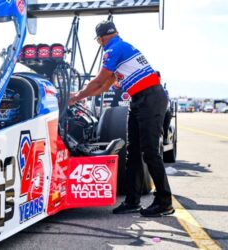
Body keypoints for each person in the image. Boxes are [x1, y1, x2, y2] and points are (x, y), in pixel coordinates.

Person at [69, 20, 174, 217]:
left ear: (100, 39)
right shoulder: (122, 46)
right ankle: (132, 201)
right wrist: (80, 96)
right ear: (116, 32)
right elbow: (105, 86)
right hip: (140, 98)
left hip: (149, 98)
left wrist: (75, 97)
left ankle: (164, 202)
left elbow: (99, 81)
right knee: (132, 152)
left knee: (150, 152)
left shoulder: (112, 50)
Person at [156, 71, 173, 144]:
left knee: (168, 113)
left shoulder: (164, 90)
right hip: (149, 110)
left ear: (159, 78)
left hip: (161, 110)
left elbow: (166, 101)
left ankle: (165, 136)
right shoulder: (146, 89)